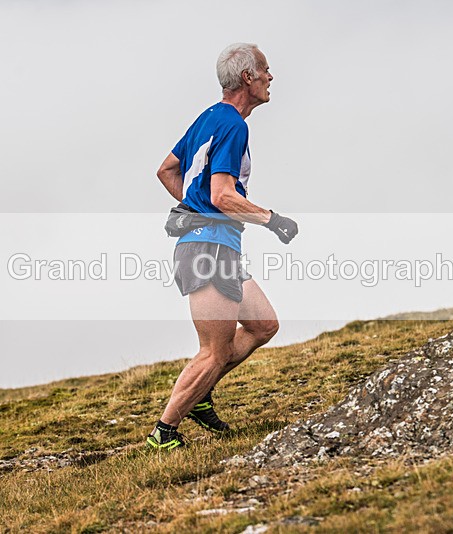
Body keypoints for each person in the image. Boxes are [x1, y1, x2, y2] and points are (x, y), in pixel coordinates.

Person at [148, 43, 299, 450]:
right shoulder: (234, 124)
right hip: (207, 250)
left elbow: (167, 170)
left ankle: (199, 396)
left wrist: (191, 207)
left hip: (217, 246)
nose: (271, 77)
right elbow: (222, 196)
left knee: (263, 324)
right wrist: (273, 219)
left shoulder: (209, 118)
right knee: (213, 353)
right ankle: (164, 432)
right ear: (248, 78)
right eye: (265, 69)